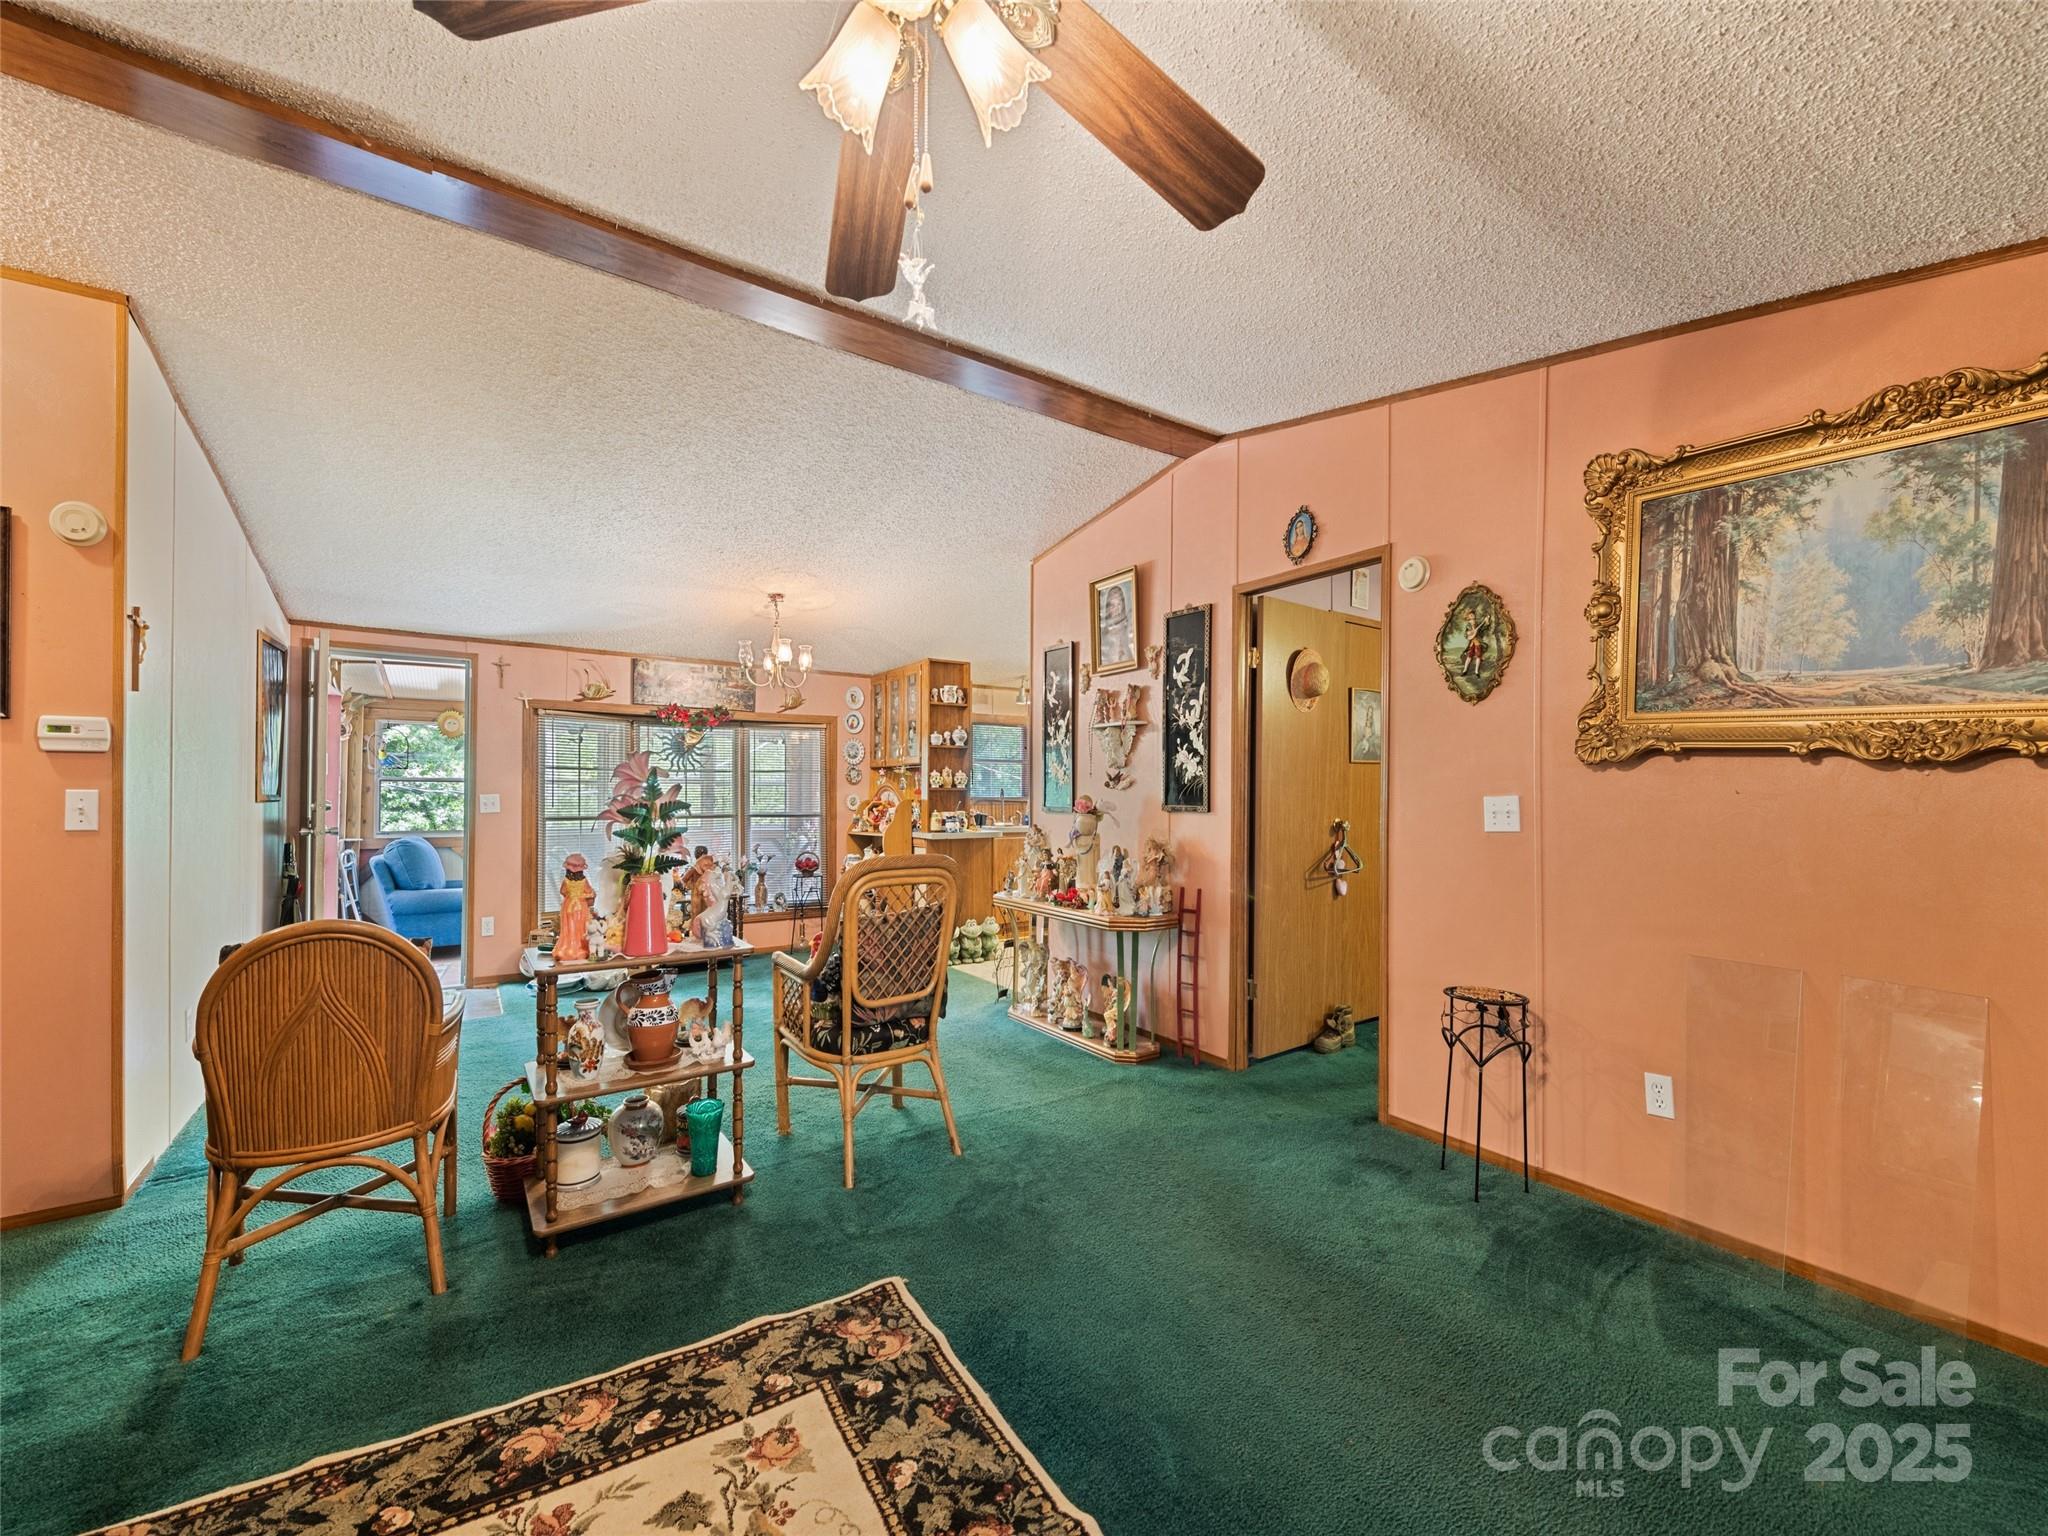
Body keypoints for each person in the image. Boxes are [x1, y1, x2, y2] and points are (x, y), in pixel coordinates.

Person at [555, 852, 594, 962]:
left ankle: (568, 947)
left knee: (569, 928)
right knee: (580, 927)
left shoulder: (566, 881)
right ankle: (579, 948)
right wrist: (582, 896)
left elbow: (562, 891)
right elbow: (590, 893)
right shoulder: (584, 881)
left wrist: (571, 896)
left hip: (569, 906)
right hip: (580, 906)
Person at [1097, 582, 1135, 669]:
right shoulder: (1103, 633)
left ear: (1123, 605)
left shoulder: (1129, 627)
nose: (1116, 609)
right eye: (1112, 605)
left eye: (1119, 604)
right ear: (1108, 607)